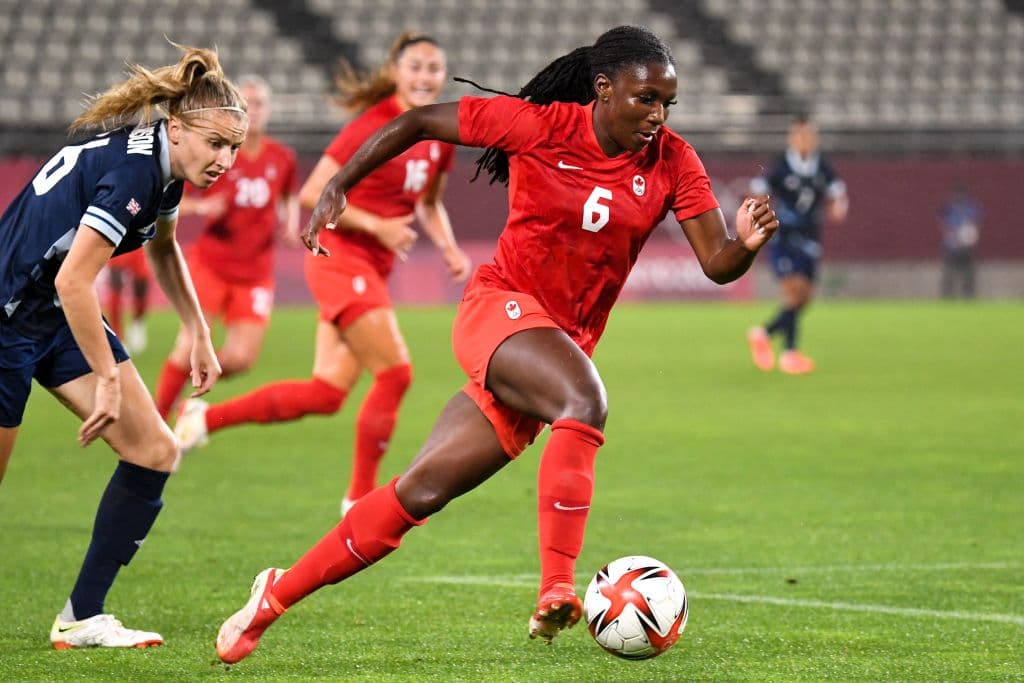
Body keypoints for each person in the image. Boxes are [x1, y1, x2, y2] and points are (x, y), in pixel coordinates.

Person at [212, 25, 779, 664]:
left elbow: (716, 262)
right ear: (603, 89)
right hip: (498, 308)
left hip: (550, 347)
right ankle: (557, 587)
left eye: (667, 103)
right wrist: (341, 182)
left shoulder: (674, 160)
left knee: (420, 492)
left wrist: (746, 246)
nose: (658, 116)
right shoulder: (537, 125)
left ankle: (272, 598)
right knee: (585, 402)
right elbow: (420, 121)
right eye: (645, 99)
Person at [0, 45, 246, 649]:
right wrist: (107, 379)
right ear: (178, 127)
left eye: (235, 147)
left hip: (52, 315)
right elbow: (73, 278)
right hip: (7, 316)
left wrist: (199, 328)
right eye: (216, 143)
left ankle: (82, 616)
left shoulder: (164, 168)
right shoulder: (138, 172)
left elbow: (162, 247)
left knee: (155, 451)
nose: (226, 160)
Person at [175, 33, 470, 515]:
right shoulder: (372, 126)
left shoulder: (436, 135)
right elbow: (315, 193)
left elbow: (430, 202)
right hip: (339, 257)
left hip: (371, 268)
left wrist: (450, 248)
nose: (425, 76)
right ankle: (358, 500)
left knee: (327, 393)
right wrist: (376, 224)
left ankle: (205, 417)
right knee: (396, 374)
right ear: (396, 71)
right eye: (415, 66)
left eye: (434, 68)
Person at [153, 75, 299, 420]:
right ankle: (156, 417)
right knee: (188, 344)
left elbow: (290, 194)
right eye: (246, 106)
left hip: (256, 273)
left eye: (260, 104)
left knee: (243, 358)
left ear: (269, 110)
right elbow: (171, 199)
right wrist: (201, 208)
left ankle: (188, 405)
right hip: (212, 265)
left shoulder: (282, 157)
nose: (255, 112)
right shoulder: (213, 151)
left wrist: (291, 221)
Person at [746, 113, 847, 374]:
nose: (804, 141)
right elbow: (758, 189)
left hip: (811, 237)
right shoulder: (781, 165)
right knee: (794, 292)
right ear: (792, 139)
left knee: (804, 298)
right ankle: (789, 354)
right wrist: (758, 210)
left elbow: (838, 193)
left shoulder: (822, 166)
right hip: (784, 236)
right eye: (799, 136)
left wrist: (838, 207)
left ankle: (765, 334)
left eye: (808, 136)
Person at [939, 182, 981, 299]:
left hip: (967, 247)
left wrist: (969, 238)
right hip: (951, 246)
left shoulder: (971, 208)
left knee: (968, 273)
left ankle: (968, 296)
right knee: (949, 273)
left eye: (960, 194)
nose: (958, 197)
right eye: (956, 194)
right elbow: (943, 225)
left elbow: (975, 225)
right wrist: (953, 236)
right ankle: (947, 297)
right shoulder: (948, 208)